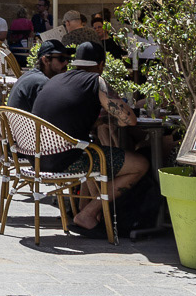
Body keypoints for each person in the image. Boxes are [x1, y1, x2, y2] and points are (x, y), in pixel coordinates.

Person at [32, 37, 146, 233]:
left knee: (94, 152)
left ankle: (90, 210)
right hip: (64, 160)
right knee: (140, 164)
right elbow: (129, 119)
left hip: (37, 157)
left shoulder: (57, 79)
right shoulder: (96, 81)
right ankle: (88, 213)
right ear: (101, 64)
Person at [7, 37, 68, 113]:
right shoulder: (42, 83)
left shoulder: (31, 75)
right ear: (45, 60)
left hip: (17, 123)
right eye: (61, 59)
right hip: (27, 124)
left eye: (67, 58)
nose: (66, 63)